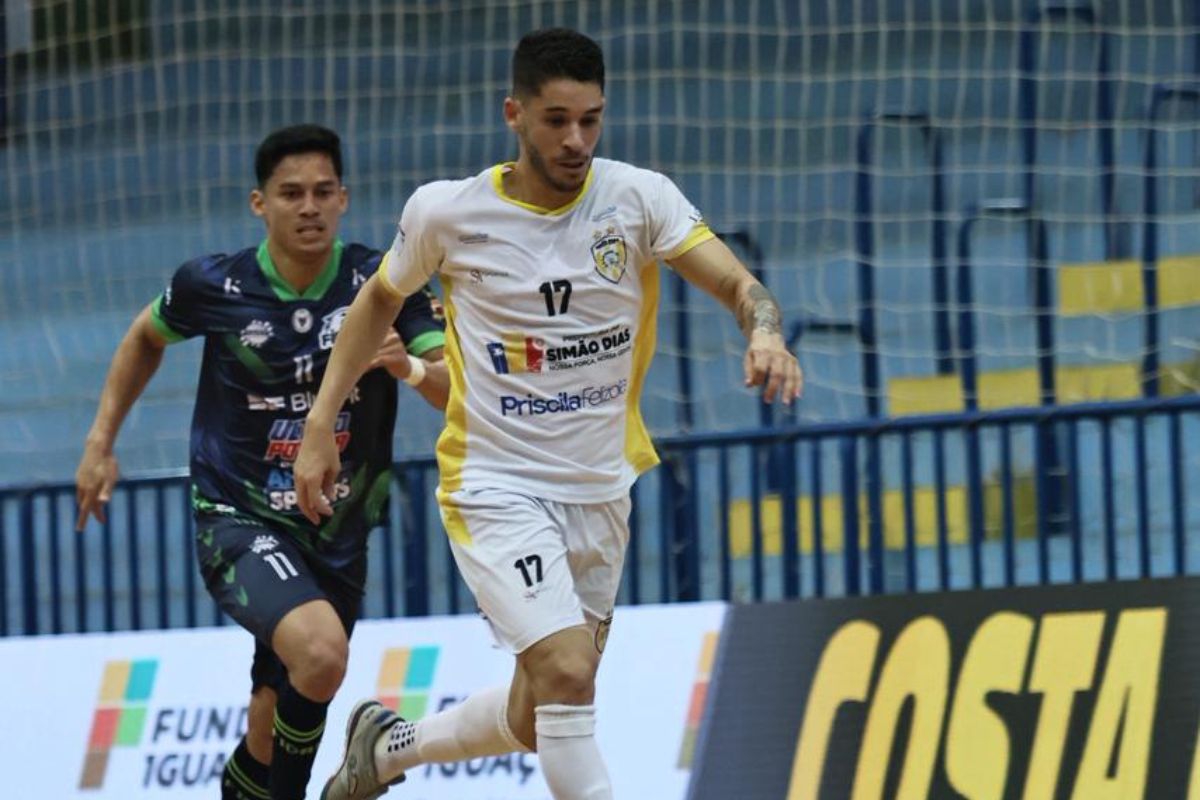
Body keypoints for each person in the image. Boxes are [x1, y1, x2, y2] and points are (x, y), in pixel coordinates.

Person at [295, 28, 802, 800]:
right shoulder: (448, 213)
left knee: (541, 712)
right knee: (568, 672)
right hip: (495, 483)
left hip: (601, 489)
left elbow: (738, 284)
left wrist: (766, 330)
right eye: (557, 119)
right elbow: (379, 302)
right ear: (515, 115)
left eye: (591, 119)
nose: (576, 140)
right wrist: (319, 427)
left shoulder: (637, 199)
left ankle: (390, 747)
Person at [74, 124, 450, 800]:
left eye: (323, 192)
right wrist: (101, 443)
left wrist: (412, 367)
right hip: (237, 513)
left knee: (269, 721)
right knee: (322, 654)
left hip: (337, 530)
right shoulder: (213, 284)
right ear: (259, 204)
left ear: (345, 198)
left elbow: (460, 391)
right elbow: (143, 338)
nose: (309, 207)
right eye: (291, 194)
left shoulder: (384, 284)